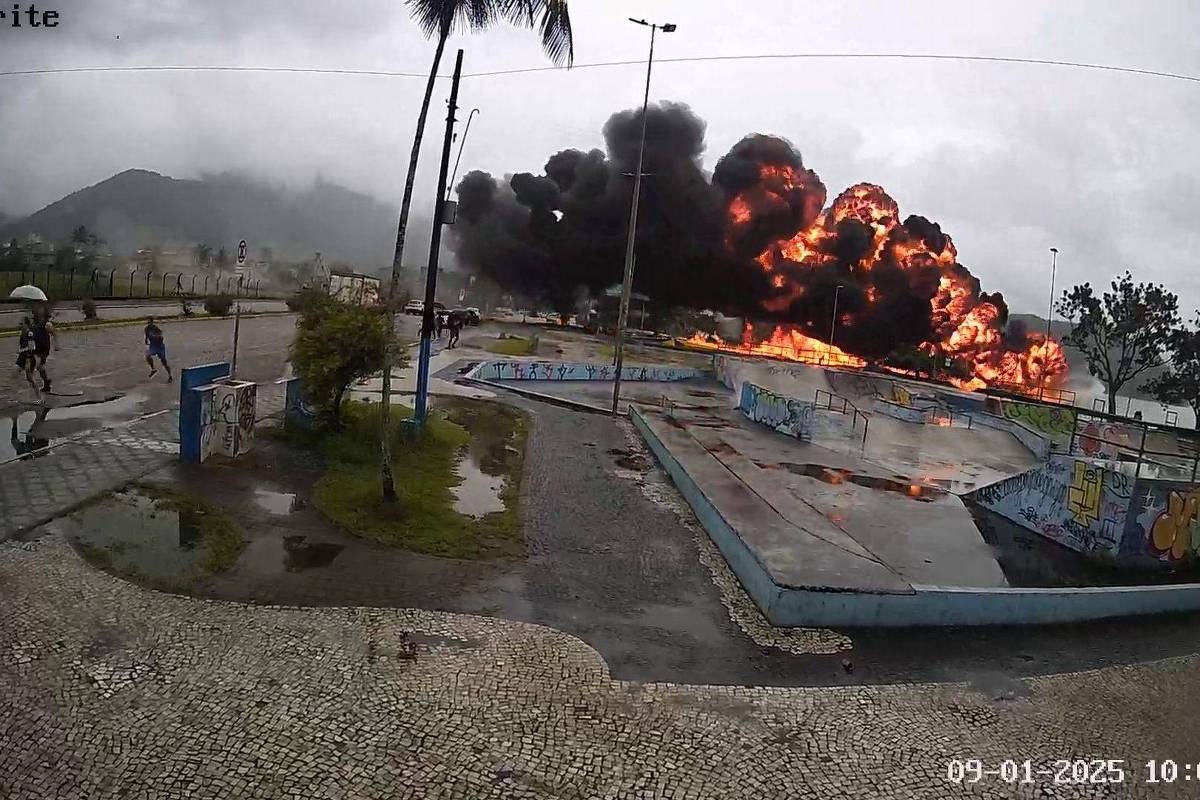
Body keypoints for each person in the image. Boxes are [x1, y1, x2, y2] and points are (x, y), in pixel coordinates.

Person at [29, 306, 58, 394]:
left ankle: (37, 386)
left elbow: (53, 333)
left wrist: (56, 345)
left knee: (36, 365)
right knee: (40, 367)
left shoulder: (46, 324)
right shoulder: (33, 325)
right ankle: (46, 382)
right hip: (35, 349)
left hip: (43, 350)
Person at [15, 318, 40, 399]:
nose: (20, 325)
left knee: (30, 378)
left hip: (28, 358)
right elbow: (21, 345)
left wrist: (21, 350)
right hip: (22, 357)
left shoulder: (30, 334)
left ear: (26, 324)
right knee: (15, 373)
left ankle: (39, 397)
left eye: (22, 324)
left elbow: (32, 347)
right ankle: (16, 395)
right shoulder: (22, 334)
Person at [144, 317, 173, 382]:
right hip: (153, 346)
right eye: (148, 323)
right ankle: (153, 369)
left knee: (164, 363)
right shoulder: (146, 329)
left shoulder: (155, 328)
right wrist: (146, 340)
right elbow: (146, 336)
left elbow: (161, 337)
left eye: (150, 322)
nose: (149, 324)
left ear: (152, 322)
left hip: (160, 347)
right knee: (147, 356)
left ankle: (170, 375)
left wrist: (157, 337)